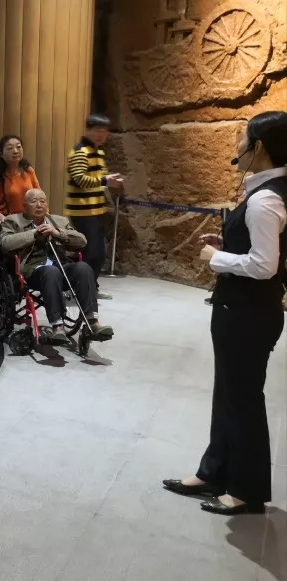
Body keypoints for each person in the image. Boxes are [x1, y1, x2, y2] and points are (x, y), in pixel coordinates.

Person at [163, 111, 287, 516]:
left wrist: (217, 258)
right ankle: (214, 471)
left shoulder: (265, 199)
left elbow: (264, 265)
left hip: (248, 313)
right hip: (245, 310)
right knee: (229, 395)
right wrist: (229, 243)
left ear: (259, 148)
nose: (237, 146)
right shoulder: (268, 192)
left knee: (243, 399)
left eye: (242, 139)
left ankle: (247, 491)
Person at [0, 189, 114, 344]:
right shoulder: (13, 221)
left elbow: (82, 241)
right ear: (25, 206)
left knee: (83, 268)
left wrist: (58, 233)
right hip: (33, 270)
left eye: (42, 201)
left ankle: (92, 322)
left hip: (61, 265)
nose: (39, 205)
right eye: (34, 201)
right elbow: (6, 243)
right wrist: (34, 234)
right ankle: (57, 327)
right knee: (51, 272)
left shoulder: (59, 221)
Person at [64, 114, 124, 300]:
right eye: (98, 131)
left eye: (104, 132)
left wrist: (109, 181)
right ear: (88, 130)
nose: (101, 135)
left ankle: (89, 288)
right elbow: (79, 179)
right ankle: (79, 289)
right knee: (93, 253)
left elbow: (99, 179)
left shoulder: (98, 152)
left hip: (96, 210)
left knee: (96, 253)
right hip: (82, 211)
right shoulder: (80, 152)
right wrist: (106, 180)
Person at [0, 135, 41, 263]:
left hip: (28, 224)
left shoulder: (29, 171)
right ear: (1, 154)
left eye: (18, 147)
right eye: (10, 148)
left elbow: (38, 195)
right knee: (8, 265)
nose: (15, 151)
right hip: (7, 226)